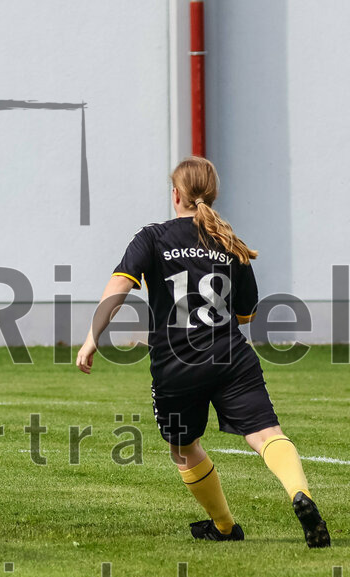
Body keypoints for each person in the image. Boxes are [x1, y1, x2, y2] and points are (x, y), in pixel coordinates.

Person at [76, 156, 329, 548]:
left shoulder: (152, 237)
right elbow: (244, 315)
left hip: (175, 365)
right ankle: (301, 493)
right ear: (212, 195)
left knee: (184, 448)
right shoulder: (229, 242)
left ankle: (225, 526)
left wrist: (93, 336)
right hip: (231, 357)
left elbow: (118, 288)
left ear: (175, 194)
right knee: (266, 434)